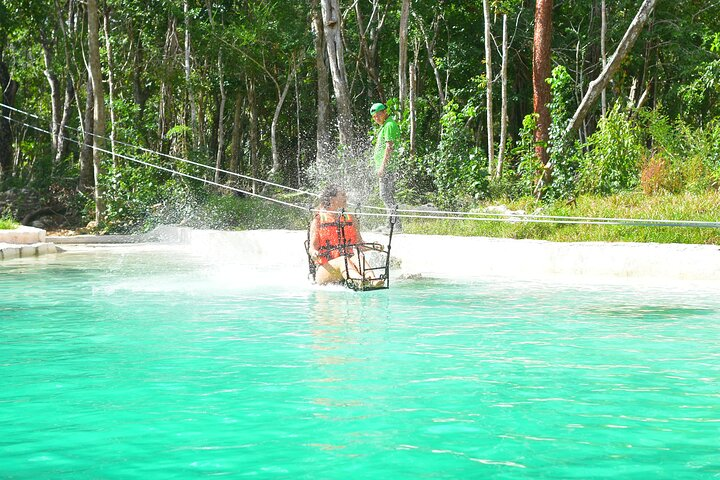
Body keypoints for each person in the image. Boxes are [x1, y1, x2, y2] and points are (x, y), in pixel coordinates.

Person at [308, 185, 383, 287]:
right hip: (325, 269)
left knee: (358, 257)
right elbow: (312, 248)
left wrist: (373, 246)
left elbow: (359, 245)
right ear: (332, 199)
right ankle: (359, 280)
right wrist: (314, 254)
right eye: (342, 195)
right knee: (343, 260)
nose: (346, 198)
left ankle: (373, 280)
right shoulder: (318, 220)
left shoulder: (350, 218)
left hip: (348, 264)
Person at [370, 102, 403, 232]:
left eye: (378, 115)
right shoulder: (386, 125)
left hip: (388, 168)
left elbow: (389, 147)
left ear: (384, 112)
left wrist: (382, 167)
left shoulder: (389, 125)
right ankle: (390, 224)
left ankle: (396, 225)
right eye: (374, 117)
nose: (376, 118)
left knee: (385, 195)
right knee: (387, 195)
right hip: (386, 167)